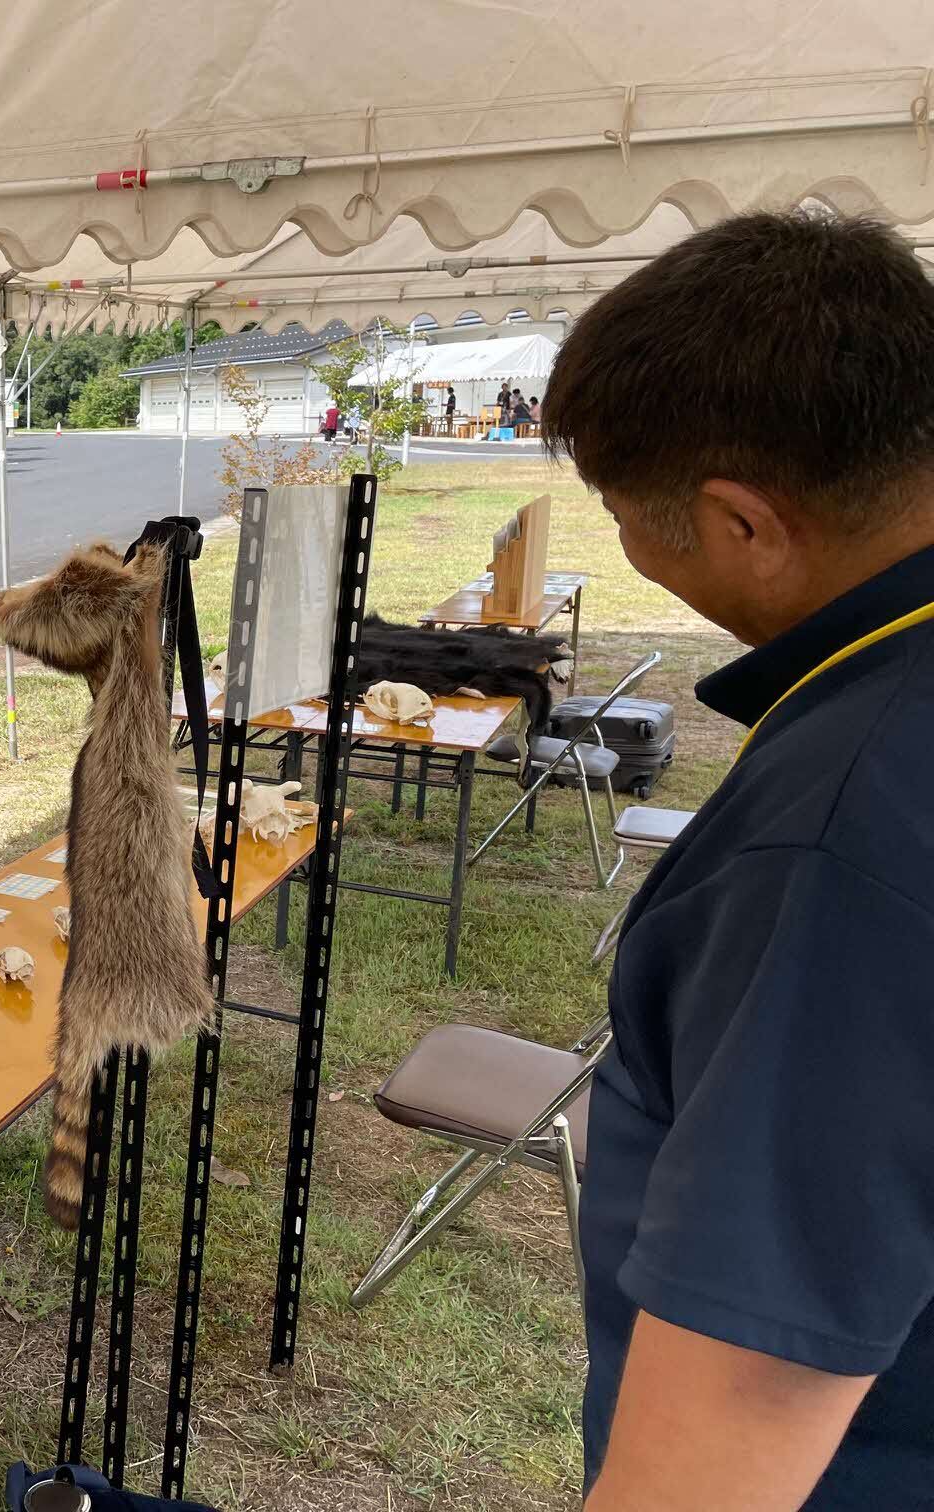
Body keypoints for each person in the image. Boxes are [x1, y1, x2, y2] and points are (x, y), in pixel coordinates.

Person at [544, 212, 934, 1510]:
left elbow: (737, 1420)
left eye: (620, 512)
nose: (623, 541)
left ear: (743, 524)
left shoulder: (835, 837)